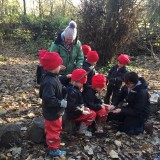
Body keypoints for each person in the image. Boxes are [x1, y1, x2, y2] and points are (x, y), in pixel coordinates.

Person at [39, 51, 67, 157]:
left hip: (55, 111)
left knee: (55, 128)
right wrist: (60, 102)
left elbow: (58, 86)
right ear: (53, 67)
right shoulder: (49, 81)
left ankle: (53, 142)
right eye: (59, 65)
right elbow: (48, 98)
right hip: (52, 111)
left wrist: (64, 89)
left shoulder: (54, 76)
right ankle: (53, 149)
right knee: (53, 129)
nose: (60, 67)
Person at [66, 68, 96, 136]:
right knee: (92, 114)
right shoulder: (72, 92)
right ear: (75, 81)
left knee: (89, 111)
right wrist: (82, 111)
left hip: (75, 111)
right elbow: (72, 106)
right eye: (82, 83)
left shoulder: (74, 89)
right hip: (72, 114)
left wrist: (84, 107)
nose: (82, 85)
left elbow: (78, 103)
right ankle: (82, 131)